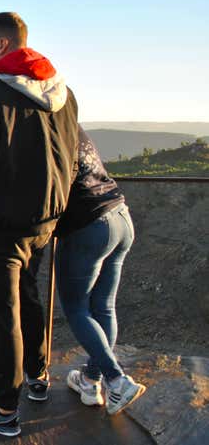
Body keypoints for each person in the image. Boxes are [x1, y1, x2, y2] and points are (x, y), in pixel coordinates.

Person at [0, 12, 79, 437]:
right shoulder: (64, 93)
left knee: (1, 318)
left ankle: (4, 410)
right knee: (28, 300)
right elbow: (71, 158)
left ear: (3, 46)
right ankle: (38, 377)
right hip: (42, 224)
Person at [55, 127, 146, 414]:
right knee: (104, 308)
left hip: (90, 226)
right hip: (120, 215)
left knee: (77, 309)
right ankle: (90, 382)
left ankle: (117, 380)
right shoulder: (71, 125)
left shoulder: (42, 134)